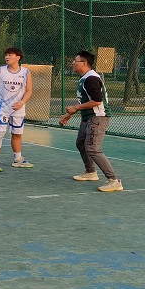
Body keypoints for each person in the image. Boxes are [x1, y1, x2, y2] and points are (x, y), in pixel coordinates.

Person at [59, 50, 122, 192]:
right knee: (81, 143)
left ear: (84, 63)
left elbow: (96, 101)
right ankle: (90, 172)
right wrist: (69, 114)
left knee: (93, 149)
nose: (73, 63)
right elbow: (85, 100)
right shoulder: (84, 78)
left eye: (75, 61)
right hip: (88, 117)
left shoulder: (91, 78)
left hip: (98, 117)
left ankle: (113, 180)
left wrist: (75, 107)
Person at [0, 47, 33, 172]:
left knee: (17, 134)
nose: (7, 57)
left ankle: (18, 159)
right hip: (1, 108)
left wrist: (22, 102)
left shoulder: (26, 72)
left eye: (10, 55)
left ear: (18, 57)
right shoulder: (0, 71)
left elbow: (29, 91)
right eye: (6, 55)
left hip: (18, 109)